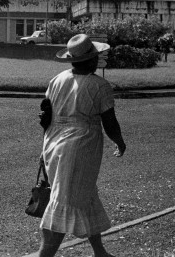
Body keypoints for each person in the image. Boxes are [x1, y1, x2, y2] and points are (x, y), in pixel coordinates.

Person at [37, 34, 126, 257]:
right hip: (80, 145)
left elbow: (46, 114)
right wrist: (120, 141)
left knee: (83, 194)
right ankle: (44, 254)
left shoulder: (57, 79)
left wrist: (44, 149)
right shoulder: (99, 85)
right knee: (65, 200)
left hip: (54, 141)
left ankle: (100, 252)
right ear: (92, 60)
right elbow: (110, 121)